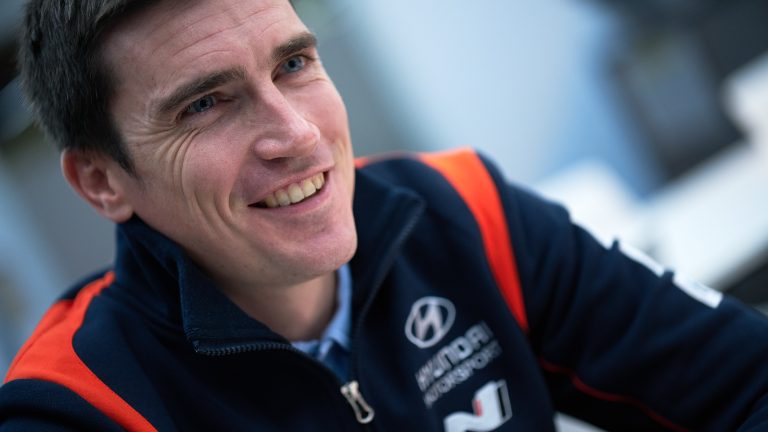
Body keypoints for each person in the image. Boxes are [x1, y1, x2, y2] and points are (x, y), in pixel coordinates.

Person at [1, 0, 767, 430]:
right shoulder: (81, 408)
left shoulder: (460, 209)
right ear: (101, 180)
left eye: (293, 64)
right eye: (205, 104)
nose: (299, 135)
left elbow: (745, 379)